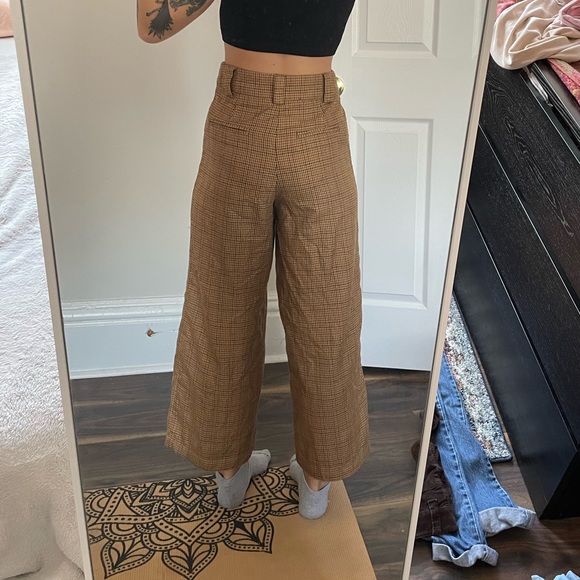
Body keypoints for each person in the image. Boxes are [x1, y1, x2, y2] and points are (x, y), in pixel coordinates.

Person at [137, 0, 370, 519]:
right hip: (317, 124)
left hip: (238, 118)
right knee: (326, 305)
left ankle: (229, 474)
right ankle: (316, 484)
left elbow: (152, 24)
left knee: (222, 301)